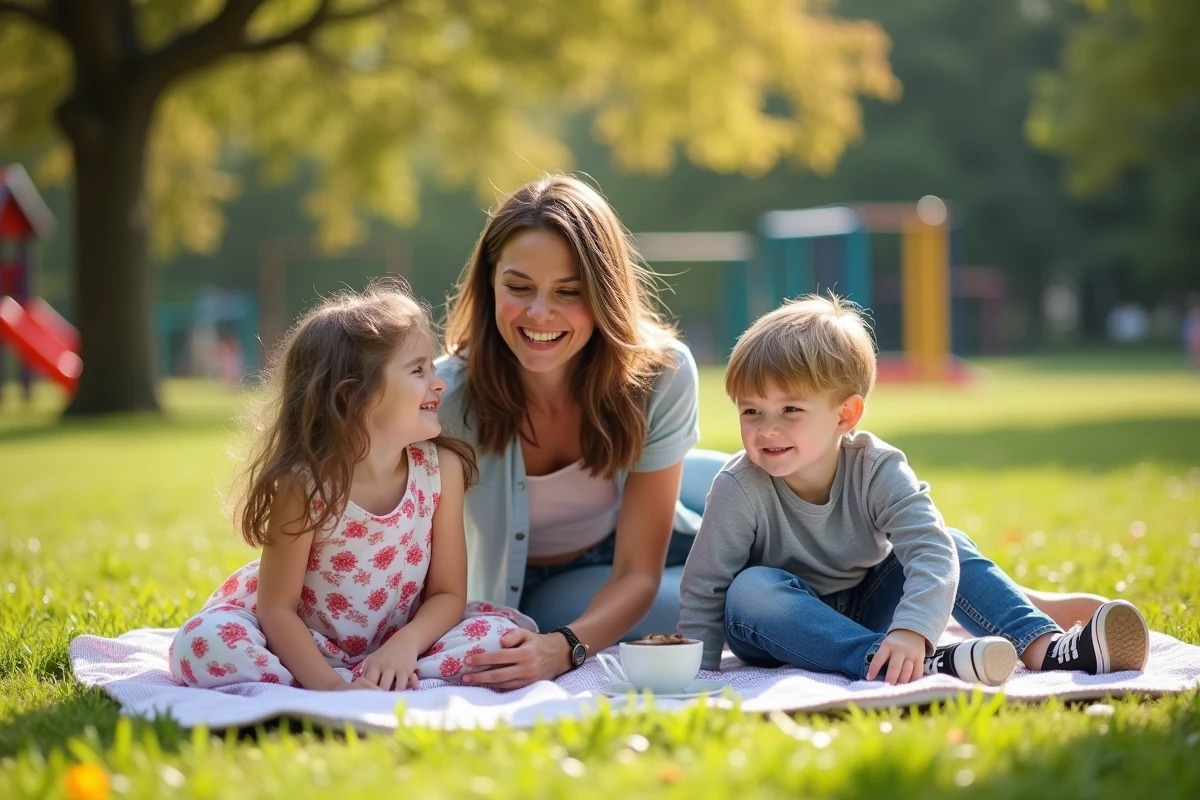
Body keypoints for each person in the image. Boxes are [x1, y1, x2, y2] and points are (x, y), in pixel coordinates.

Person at [678, 295, 1151, 685]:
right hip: (783, 625)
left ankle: (1046, 647)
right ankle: (910, 663)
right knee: (750, 589)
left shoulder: (877, 467)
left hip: (870, 606)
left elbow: (928, 549)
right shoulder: (740, 486)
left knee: (950, 543)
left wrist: (910, 629)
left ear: (845, 415)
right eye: (751, 412)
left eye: (790, 411)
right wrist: (694, 670)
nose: (767, 430)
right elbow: (706, 582)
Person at [434, 175, 731, 689]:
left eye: (568, 292)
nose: (539, 313)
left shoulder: (660, 374)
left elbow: (638, 569)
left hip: (666, 527)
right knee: (705, 609)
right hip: (540, 577)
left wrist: (563, 649)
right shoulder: (442, 397)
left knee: (760, 563)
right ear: (489, 283)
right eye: (518, 287)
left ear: (603, 293)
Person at [169, 283, 533, 691]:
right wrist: (333, 689)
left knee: (496, 641)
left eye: (432, 368)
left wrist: (404, 647)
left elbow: (448, 595)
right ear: (353, 398)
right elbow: (277, 609)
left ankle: (378, 674)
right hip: (297, 641)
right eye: (417, 371)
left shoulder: (441, 469)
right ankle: (332, 680)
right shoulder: (306, 485)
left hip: (401, 640)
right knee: (204, 644)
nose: (438, 383)